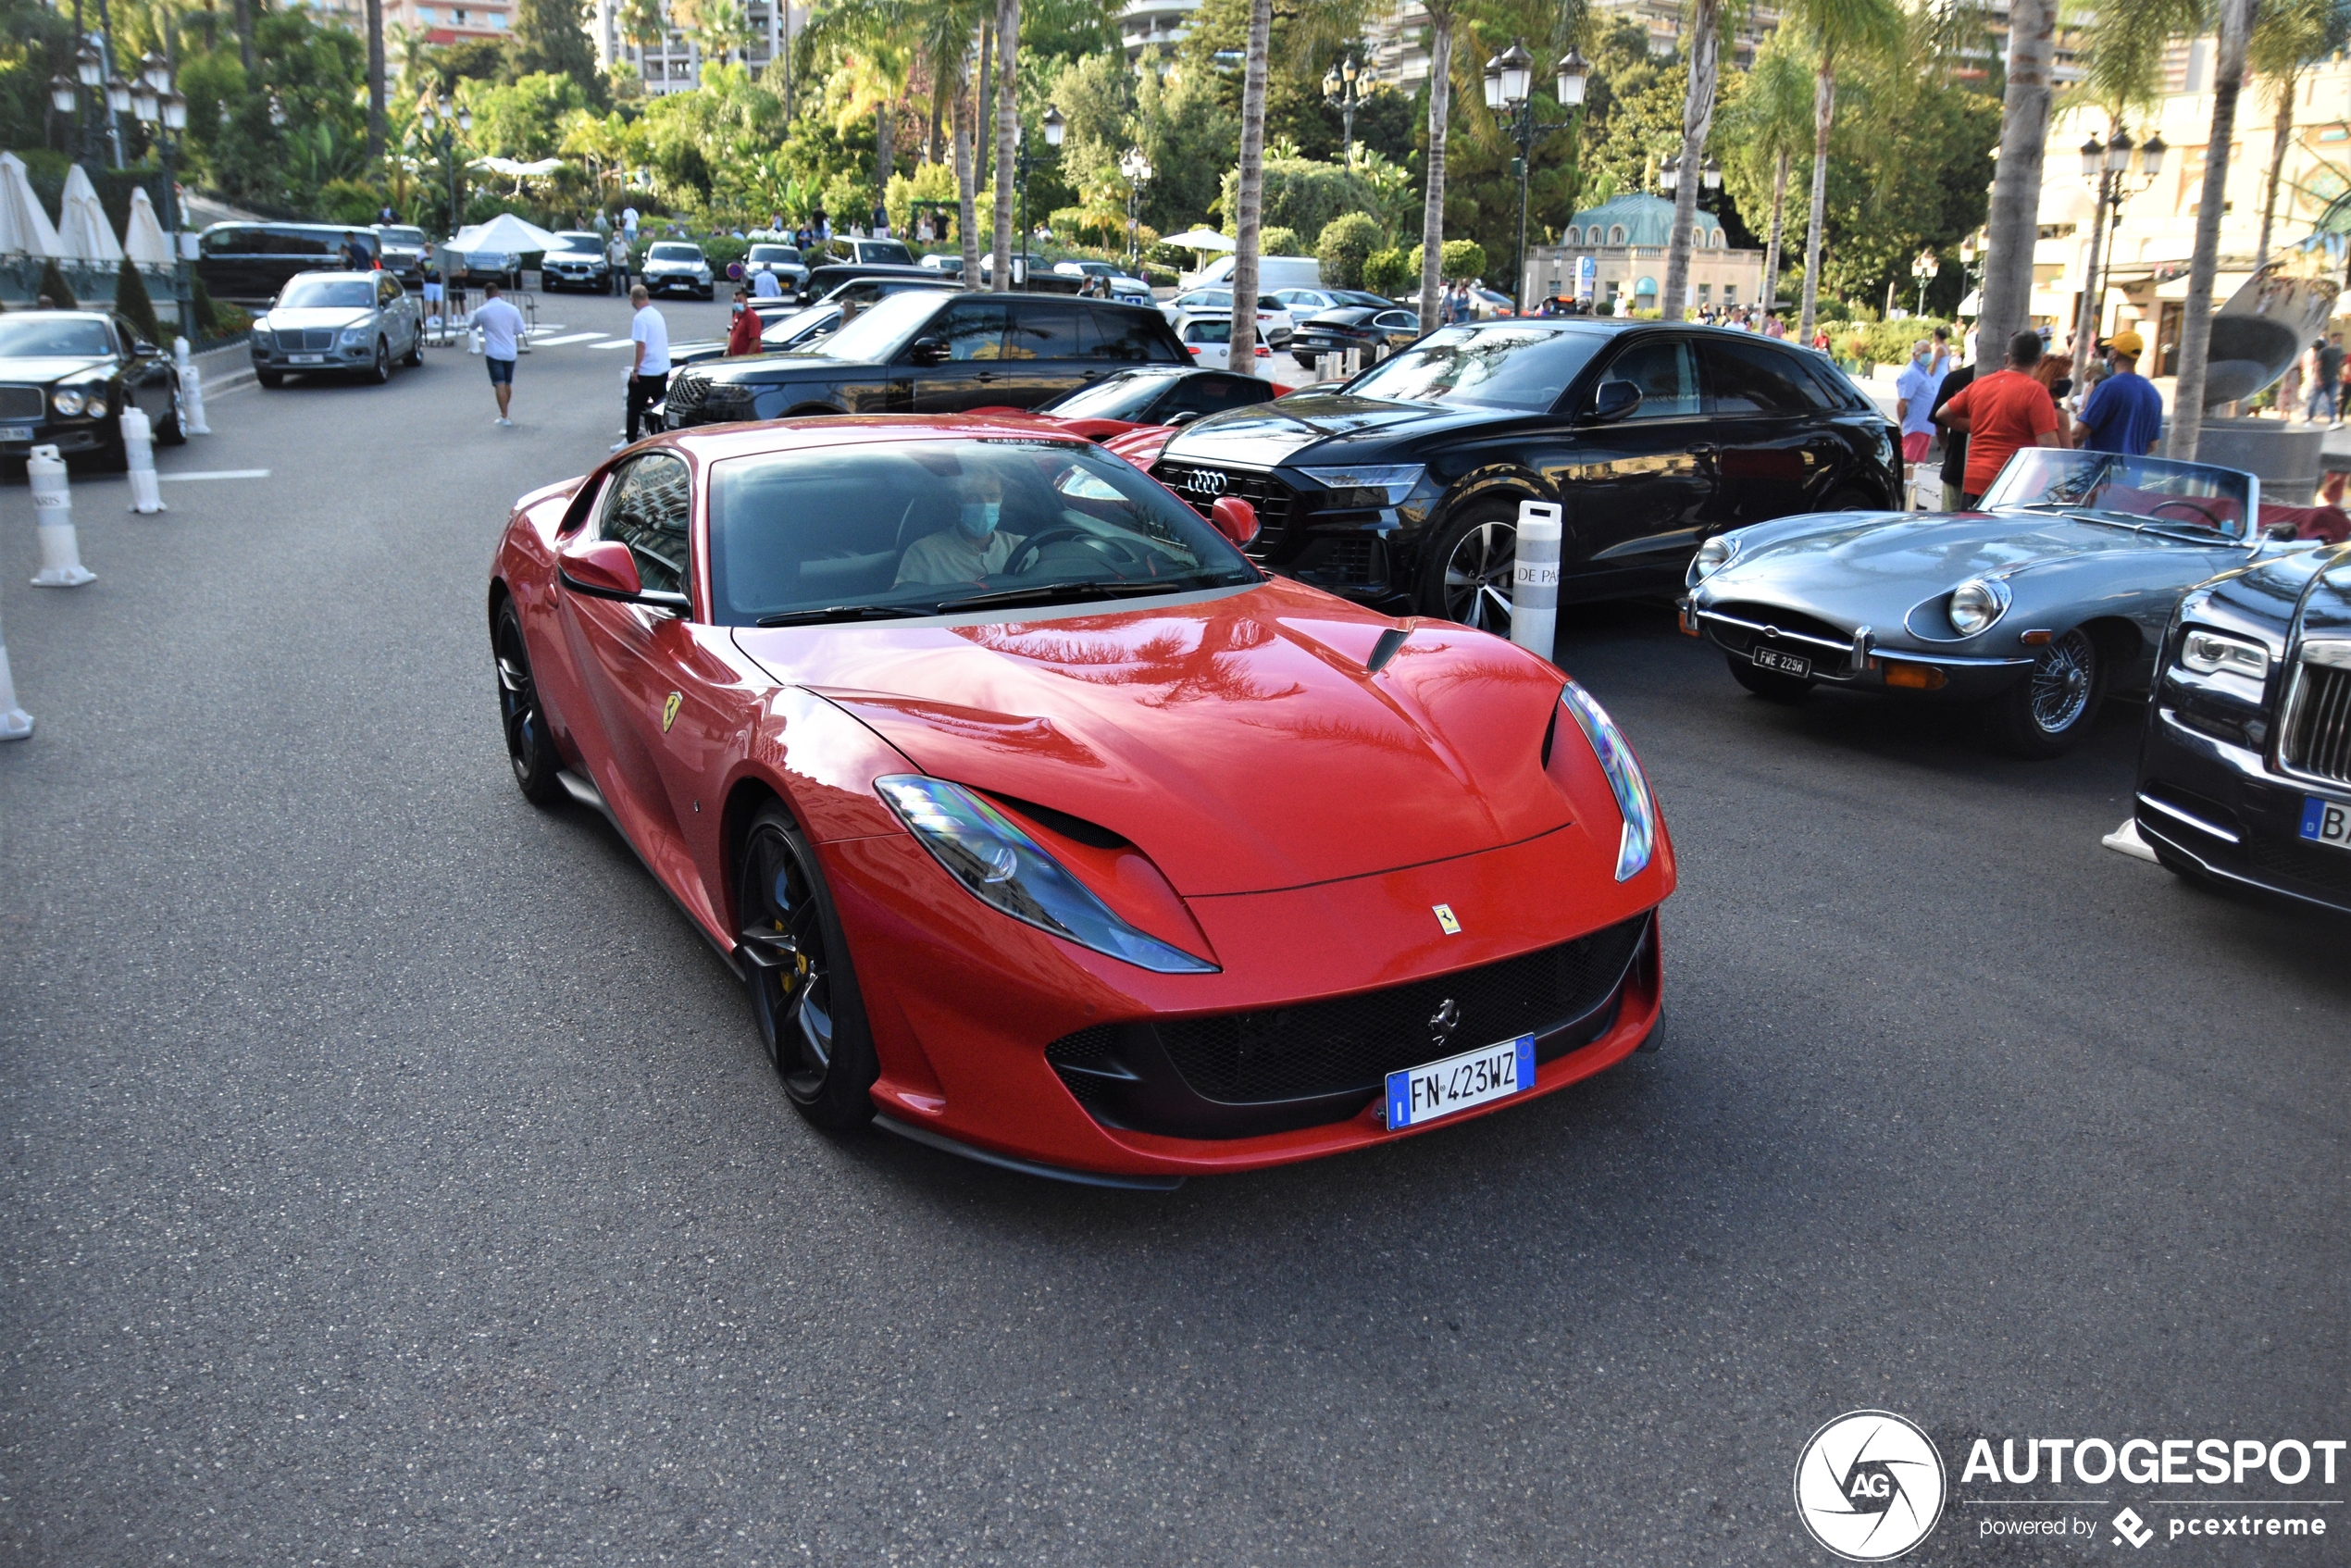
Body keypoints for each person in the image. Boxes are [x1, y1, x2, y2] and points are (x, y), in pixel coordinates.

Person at [1936, 330, 2063, 504]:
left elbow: (1943, 414)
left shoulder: (1981, 384)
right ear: (2039, 361)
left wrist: (1977, 426)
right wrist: (2061, 489)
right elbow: (2049, 446)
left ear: (2007, 358)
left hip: (1975, 482)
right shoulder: (2036, 392)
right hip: (2016, 485)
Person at [894, 468, 1025, 585]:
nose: (984, 503)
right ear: (956, 502)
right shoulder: (924, 554)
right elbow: (908, 603)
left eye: (992, 496)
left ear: (1001, 499)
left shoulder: (1022, 547)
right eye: (972, 496)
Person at [2077, 330, 2163, 455]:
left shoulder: (2108, 387)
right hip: (2133, 471)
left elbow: (2078, 434)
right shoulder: (2153, 392)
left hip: (2103, 471)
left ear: (2115, 354)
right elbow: (2152, 444)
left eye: (2110, 349)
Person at [617, 283, 670, 452]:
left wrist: (636, 369)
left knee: (634, 405)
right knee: (660, 404)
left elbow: (641, 345)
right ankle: (662, 435)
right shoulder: (656, 314)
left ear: (632, 299)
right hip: (661, 367)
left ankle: (630, 438)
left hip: (647, 370)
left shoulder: (640, 318)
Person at [473, 281, 526, 427]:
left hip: (493, 351)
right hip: (510, 351)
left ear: (486, 295)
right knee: (507, 383)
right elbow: (520, 329)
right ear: (499, 293)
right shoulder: (512, 309)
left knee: (499, 384)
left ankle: (505, 415)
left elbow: (472, 325)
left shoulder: (482, 311)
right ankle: (505, 411)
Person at [1928, 360, 1977, 511]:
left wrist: (1948, 449)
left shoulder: (1955, 379)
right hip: (1995, 473)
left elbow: (1939, 426)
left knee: (1951, 521)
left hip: (1956, 462)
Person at [1894, 339, 1943, 481]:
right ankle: (1905, 493)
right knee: (1908, 462)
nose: (1928, 355)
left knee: (1913, 463)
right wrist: (1904, 423)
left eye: (1929, 352)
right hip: (1916, 425)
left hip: (1924, 425)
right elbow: (1902, 402)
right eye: (1924, 352)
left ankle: (1910, 493)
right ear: (1915, 355)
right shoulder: (1911, 374)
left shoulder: (1923, 372)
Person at [2313, 334, 2345, 426]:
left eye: (2341, 339)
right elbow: (2317, 366)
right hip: (2322, 379)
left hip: (2332, 380)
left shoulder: (2339, 351)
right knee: (2314, 400)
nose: (2339, 341)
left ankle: (2332, 420)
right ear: (2332, 339)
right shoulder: (2324, 351)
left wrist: (2341, 376)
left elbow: (2339, 365)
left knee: (2332, 400)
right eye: (2338, 339)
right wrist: (2318, 379)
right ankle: (2309, 418)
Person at [725, 286, 762, 355]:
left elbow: (755, 340)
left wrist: (747, 356)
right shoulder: (736, 314)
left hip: (747, 360)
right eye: (734, 301)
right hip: (736, 357)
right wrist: (728, 350)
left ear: (746, 301)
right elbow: (733, 334)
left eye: (739, 301)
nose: (737, 303)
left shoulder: (752, 317)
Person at [419, 243, 444, 324]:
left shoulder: (424, 260)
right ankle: (440, 318)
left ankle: (430, 319)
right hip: (438, 283)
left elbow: (423, 273)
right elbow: (441, 274)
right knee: (439, 302)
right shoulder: (439, 261)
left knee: (429, 302)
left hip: (428, 283)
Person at [606, 230, 630, 296]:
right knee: (617, 277)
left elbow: (628, 252)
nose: (616, 238)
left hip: (624, 263)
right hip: (615, 263)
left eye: (617, 236)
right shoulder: (611, 244)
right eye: (615, 236)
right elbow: (608, 250)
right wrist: (611, 257)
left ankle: (628, 289)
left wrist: (625, 257)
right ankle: (618, 292)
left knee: (627, 276)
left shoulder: (624, 244)